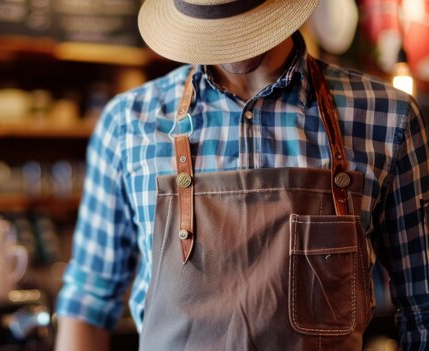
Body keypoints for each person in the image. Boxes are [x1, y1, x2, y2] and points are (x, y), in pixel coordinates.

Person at [55, 0, 429, 350]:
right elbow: (88, 300)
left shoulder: (386, 118)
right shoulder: (128, 124)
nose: (231, 43)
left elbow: (422, 307)